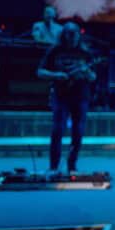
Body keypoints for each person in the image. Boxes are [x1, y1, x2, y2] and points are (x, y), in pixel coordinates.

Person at [36, 23, 98, 174]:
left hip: (81, 96)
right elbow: (40, 71)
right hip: (61, 94)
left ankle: (72, 165)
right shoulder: (55, 50)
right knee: (57, 129)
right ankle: (53, 166)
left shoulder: (86, 52)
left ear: (78, 35)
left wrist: (87, 73)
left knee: (78, 131)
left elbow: (93, 76)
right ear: (64, 35)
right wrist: (55, 75)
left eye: (74, 35)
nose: (72, 39)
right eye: (68, 35)